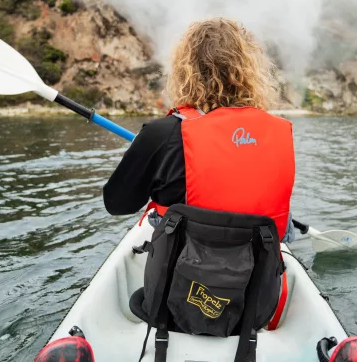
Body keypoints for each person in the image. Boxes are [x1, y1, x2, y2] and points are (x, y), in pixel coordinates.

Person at [102, 18, 296, 245]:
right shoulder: (280, 131)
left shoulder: (161, 134)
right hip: (260, 273)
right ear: (249, 72)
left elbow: (117, 204)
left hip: (188, 272)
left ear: (185, 72)